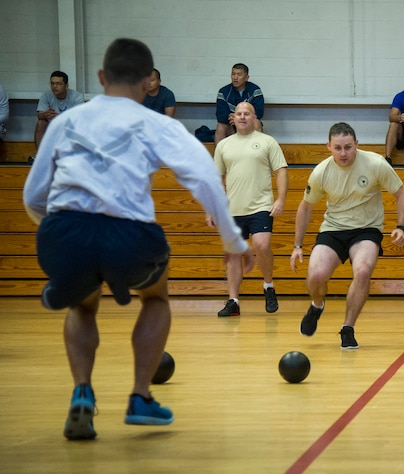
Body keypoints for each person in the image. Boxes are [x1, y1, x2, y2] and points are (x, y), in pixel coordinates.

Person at [21, 38, 254, 441]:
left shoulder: (64, 122)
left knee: (82, 304)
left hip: (63, 231)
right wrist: (234, 241)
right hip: (127, 232)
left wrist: (62, 234)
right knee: (156, 298)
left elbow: (32, 196)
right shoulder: (156, 123)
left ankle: (81, 394)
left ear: (100, 77)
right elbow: (202, 177)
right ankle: (140, 397)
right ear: (149, 82)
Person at [291, 122, 404, 349]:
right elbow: (305, 207)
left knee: (363, 270)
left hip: (366, 229)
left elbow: (401, 193)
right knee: (315, 276)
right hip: (333, 229)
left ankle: (348, 328)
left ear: (357, 144)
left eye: (348, 147)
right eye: (338, 148)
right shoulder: (321, 172)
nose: (343, 153)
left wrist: (401, 226)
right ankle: (317, 305)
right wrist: (297, 245)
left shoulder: (375, 163)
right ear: (328, 146)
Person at [209, 101, 288, 317]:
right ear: (233, 118)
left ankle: (268, 286)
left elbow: (281, 170)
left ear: (254, 118)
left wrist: (280, 199)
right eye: (239, 114)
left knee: (262, 245)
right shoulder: (224, 145)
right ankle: (233, 301)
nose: (243, 117)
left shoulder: (267, 142)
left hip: (261, 206)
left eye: (247, 114)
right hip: (232, 209)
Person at [214, 63, 264, 144]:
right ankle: (219, 155)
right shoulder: (223, 92)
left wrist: (240, 118)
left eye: (239, 74)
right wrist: (235, 119)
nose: (235, 77)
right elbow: (220, 114)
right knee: (220, 126)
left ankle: (256, 153)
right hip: (230, 124)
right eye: (233, 74)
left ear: (247, 77)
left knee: (256, 122)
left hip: (248, 123)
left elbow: (259, 112)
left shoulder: (255, 90)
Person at [34, 71, 85, 150]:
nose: (54, 86)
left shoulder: (77, 97)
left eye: (58, 84)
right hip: (53, 126)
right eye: (52, 83)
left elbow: (78, 118)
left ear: (66, 86)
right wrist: (45, 114)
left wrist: (59, 117)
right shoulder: (46, 95)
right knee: (41, 123)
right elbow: (39, 115)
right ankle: (41, 157)